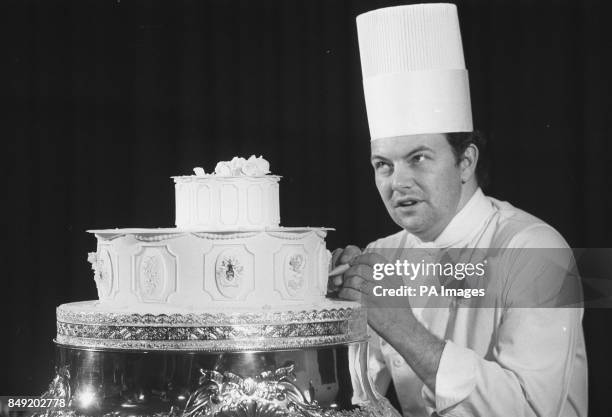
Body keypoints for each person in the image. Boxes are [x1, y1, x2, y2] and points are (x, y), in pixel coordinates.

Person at [329, 4, 588, 417]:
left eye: (418, 158)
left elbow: (531, 409)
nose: (398, 183)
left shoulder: (536, 251)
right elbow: (354, 397)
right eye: (384, 165)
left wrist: (400, 326)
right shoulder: (384, 254)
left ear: (465, 161)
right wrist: (334, 320)